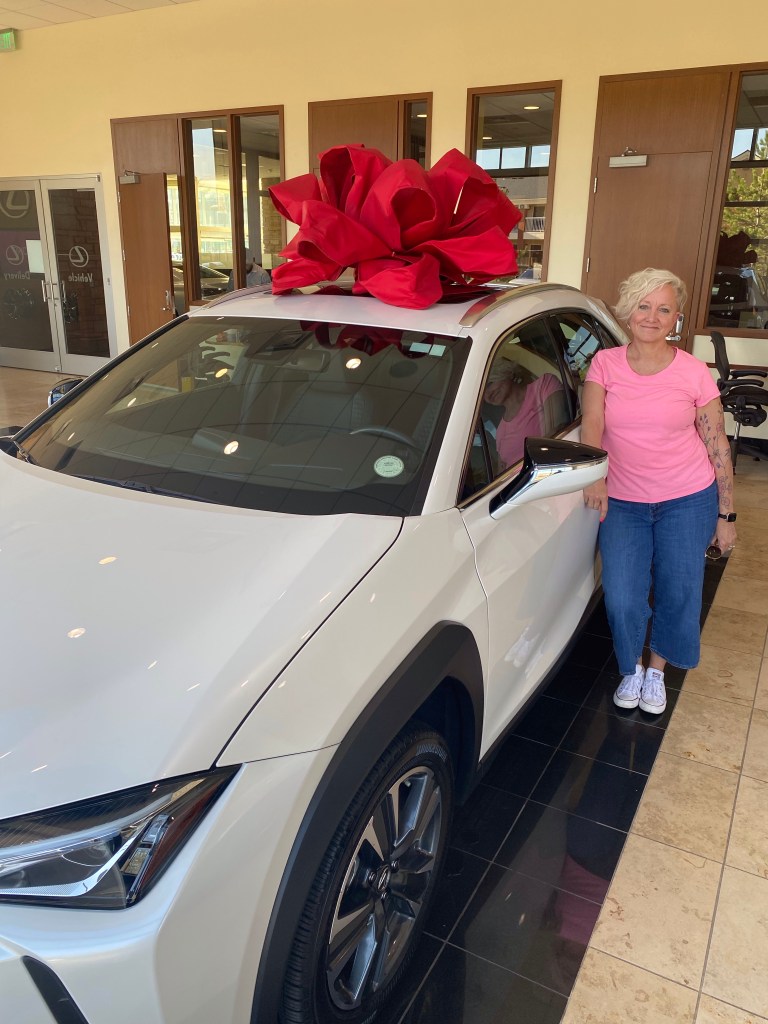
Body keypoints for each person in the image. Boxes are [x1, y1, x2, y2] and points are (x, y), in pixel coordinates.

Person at [581, 268, 736, 715]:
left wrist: (726, 515)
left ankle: (656, 671)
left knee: (678, 589)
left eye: (664, 309)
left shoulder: (693, 371)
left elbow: (716, 442)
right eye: (643, 306)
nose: (652, 317)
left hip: (687, 498)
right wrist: (595, 475)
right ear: (628, 311)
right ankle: (631, 666)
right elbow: (592, 422)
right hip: (624, 501)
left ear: (676, 318)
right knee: (622, 595)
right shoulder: (605, 364)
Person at [483, 358, 564, 468]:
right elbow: (501, 471)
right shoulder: (500, 432)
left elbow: (558, 434)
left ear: (506, 373)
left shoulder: (544, 385)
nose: (487, 395)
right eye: (482, 395)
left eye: (489, 384)